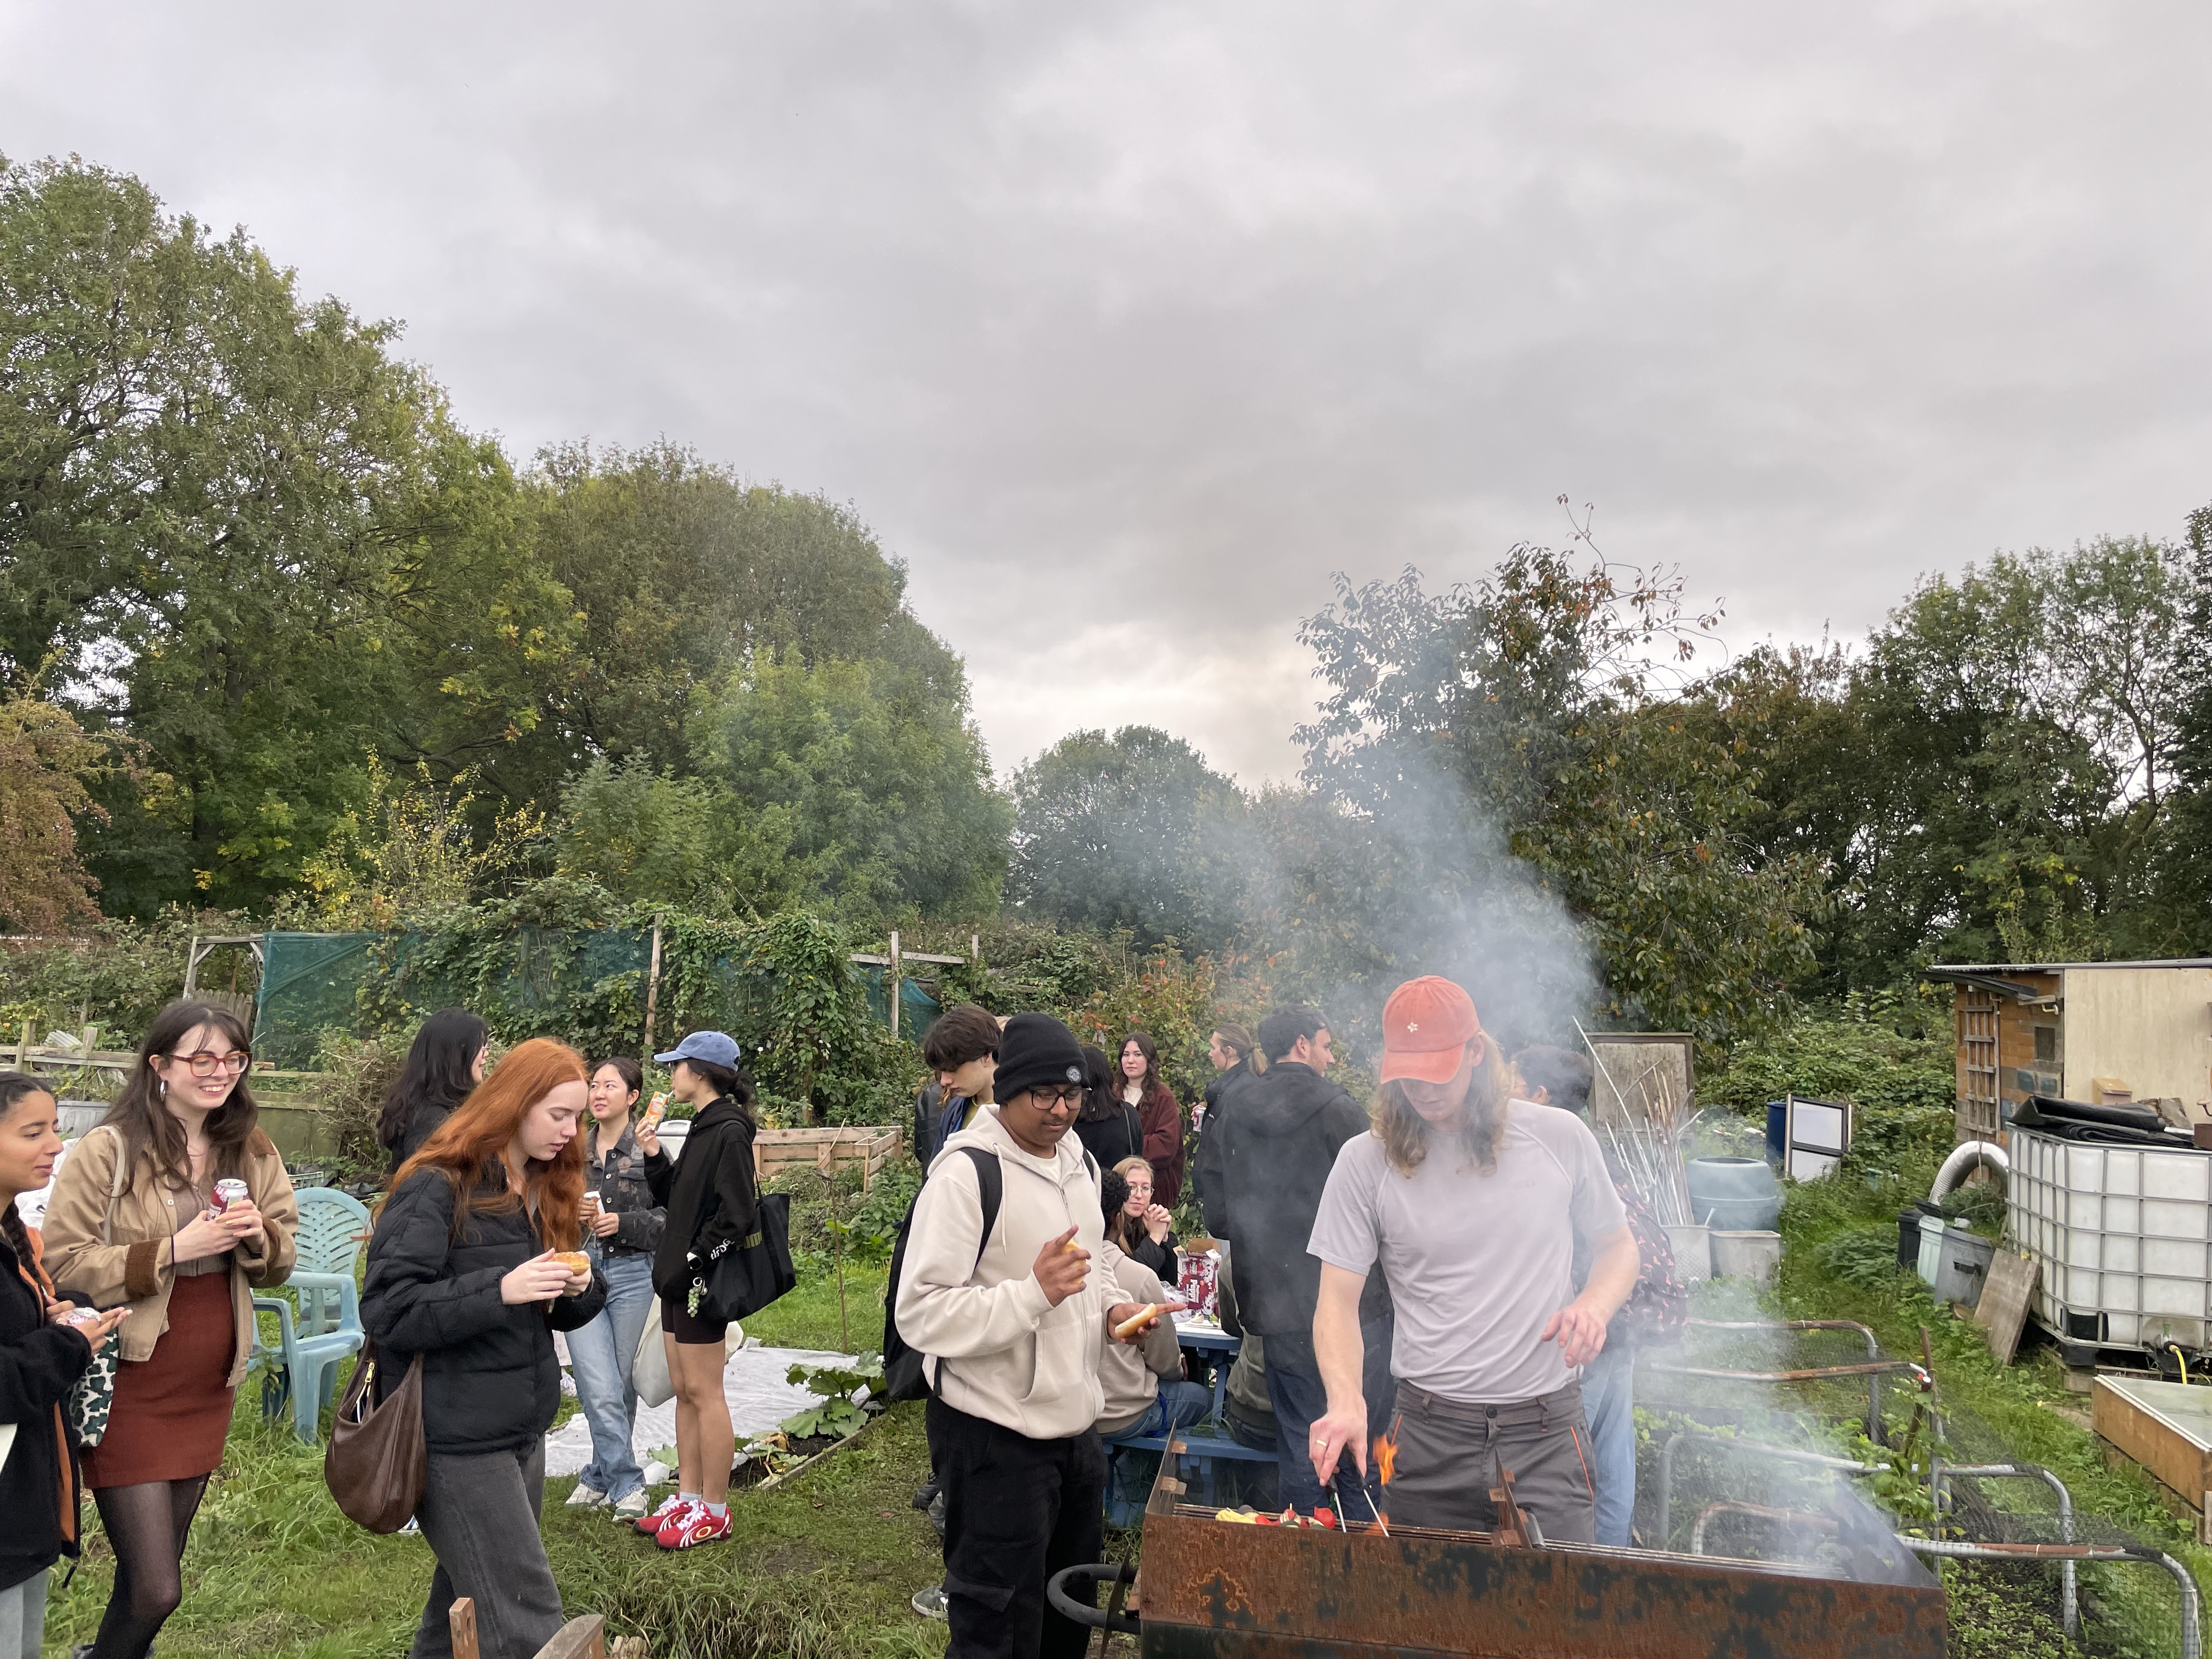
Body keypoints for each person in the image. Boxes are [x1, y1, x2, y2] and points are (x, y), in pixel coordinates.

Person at [1306, 979, 1638, 1543]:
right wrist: (1345, 1400)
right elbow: (1336, 1303)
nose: (1423, 1091)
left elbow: (1618, 1249)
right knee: (1422, 1622)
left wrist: (1594, 1307)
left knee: (1557, 1620)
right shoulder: (1364, 1162)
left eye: (1437, 1071)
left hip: (1546, 1432)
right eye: (1407, 1075)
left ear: (1476, 1053)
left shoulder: (1559, 1138)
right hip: (1430, 1434)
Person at [896, 1012, 1168, 1659]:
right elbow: (922, 1313)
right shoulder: (966, 1175)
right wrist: (1031, 1294)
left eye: (1071, 1094)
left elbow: (1095, 1261)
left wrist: (1109, 1311)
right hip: (994, 1439)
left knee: (1064, 1617)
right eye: (1042, 1094)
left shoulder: (1078, 1162)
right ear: (1007, 1089)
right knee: (996, 1626)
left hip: (1076, 1435)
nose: (1059, 1110)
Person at [43, 1001, 299, 1659]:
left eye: (233, 1059)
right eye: (202, 1059)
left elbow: (283, 1255)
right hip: (131, 1375)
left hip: (209, 1376)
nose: (220, 1074)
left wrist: (257, 1238)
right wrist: (174, 1248)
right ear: (160, 1065)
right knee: (159, 1588)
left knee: (146, 1576)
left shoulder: (251, 1145)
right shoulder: (109, 1149)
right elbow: (61, 1262)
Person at [364, 1036, 606, 1659]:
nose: (570, 1131)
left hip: (520, 1429)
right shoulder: (438, 1185)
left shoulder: (544, 1186)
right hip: (455, 1440)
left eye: (577, 1117)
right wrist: (501, 1289)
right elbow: (390, 1309)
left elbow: (560, 1306)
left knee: (460, 1614)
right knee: (527, 1621)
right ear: (513, 1102)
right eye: (558, 1114)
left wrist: (580, 1285)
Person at [1200, 1002, 1392, 1517]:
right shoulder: (1339, 1109)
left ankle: (1305, 1548)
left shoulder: (1234, 1106)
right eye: (1327, 1046)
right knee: (1359, 1431)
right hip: (1352, 1307)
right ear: (1304, 1044)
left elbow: (1216, 1208)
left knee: (1300, 1438)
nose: (1330, 1059)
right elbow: (1381, 1203)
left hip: (1276, 1303)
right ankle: (1362, 1549)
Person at [1514, 1044, 1686, 1548]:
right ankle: (1610, 1567)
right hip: (1624, 1320)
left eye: (1516, 1087)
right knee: (1612, 1459)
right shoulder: (1598, 1148)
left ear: (1541, 1096)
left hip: (1586, 1329)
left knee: (1564, 1467)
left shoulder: (1553, 1153)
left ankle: (1562, 1573)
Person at [0, 1074, 127, 1658]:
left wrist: (48, 1319)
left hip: (20, 1506)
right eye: (34, 1132)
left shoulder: (14, 1235)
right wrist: (70, 1346)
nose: (56, 1144)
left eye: (54, 1128)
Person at [633, 1030, 759, 1551]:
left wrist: (693, 1259)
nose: (671, 1075)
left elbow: (737, 1216)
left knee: (706, 1394)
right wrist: (654, 1153)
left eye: (676, 1065)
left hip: (697, 1284)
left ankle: (715, 1509)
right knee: (684, 1391)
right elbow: (675, 1198)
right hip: (674, 1281)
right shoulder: (703, 1127)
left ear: (700, 1071)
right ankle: (687, 1496)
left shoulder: (729, 1132)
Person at [563, 1056, 666, 1521]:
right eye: (593, 1085)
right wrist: (575, 1219)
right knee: (596, 1383)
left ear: (633, 1096)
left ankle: (600, 1474)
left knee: (618, 1383)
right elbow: (545, 1213)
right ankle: (626, 1480)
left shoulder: (648, 1150)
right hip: (581, 1273)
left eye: (610, 1085)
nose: (598, 1093)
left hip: (631, 1275)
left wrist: (621, 1223)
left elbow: (673, 1219)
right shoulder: (570, 1150)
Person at [1094, 1166, 1210, 1521]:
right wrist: (1178, 1367)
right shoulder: (1135, 1274)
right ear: (1117, 1213)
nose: (1141, 1195)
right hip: (1122, 1411)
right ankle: (1153, 1493)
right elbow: (1165, 1363)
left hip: (1079, 1406)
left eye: (1147, 1187)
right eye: (1134, 1188)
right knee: (1203, 1398)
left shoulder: (1060, 1264)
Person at [379, 1009, 491, 1175]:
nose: (486, 1053)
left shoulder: (435, 1108)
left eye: (486, 1045)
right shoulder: (430, 1121)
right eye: (480, 1047)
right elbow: (424, 1186)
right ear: (456, 1054)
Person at [914, 1006, 1001, 1166]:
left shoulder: (1018, 1112)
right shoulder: (955, 1110)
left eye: (953, 1069)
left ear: (986, 1056)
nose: (944, 1081)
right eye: (942, 1071)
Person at [1188, 1023, 1255, 1213]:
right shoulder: (1230, 1087)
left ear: (1230, 1051)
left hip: (1229, 1199)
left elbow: (1232, 1146)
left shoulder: (1241, 1091)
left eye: (1213, 1047)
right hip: (1224, 1196)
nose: (1210, 1053)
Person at [1118, 1032, 1185, 1209]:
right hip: (1118, 1187)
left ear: (1149, 1059)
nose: (1130, 1060)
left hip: (1153, 1189)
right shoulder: (1113, 1094)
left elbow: (1166, 1144)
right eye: (1126, 1055)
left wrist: (1127, 1146)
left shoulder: (1163, 1097)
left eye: (1137, 1054)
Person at [1107, 1156, 1177, 1280]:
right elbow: (1132, 1281)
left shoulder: (1148, 1222)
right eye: (1131, 1187)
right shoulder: (1108, 1228)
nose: (1139, 1195)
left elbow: (1171, 1279)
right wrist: (1155, 1238)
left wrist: (1165, 1239)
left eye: (1145, 1188)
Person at [1071, 1047, 1141, 1171]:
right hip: (1120, 1187)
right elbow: (1138, 1157)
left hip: (1081, 1188)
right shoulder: (1128, 1114)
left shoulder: (1070, 1120)